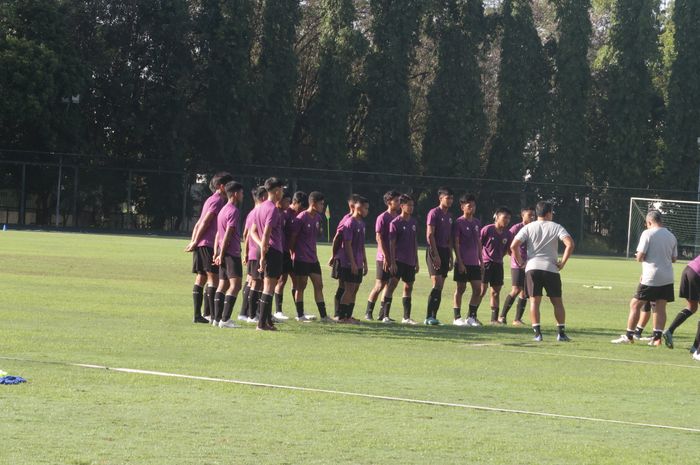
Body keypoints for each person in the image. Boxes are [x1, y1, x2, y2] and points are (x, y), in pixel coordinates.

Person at [511, 201, 575, 342]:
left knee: (534, 302)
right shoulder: (556, 227)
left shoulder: (528, 227)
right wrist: (562, 262)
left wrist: (521, 262)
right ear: (548, 214)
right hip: (551, 268)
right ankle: (561, 333)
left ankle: (538, 334)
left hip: (532, 268)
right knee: (557, 302)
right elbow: (570, 244)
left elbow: (513, 246)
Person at [611, 210, 677, 346]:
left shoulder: (647, 233)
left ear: (649, 222)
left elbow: (640, 257)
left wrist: (640, 256)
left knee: (635, 305)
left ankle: (629, 336)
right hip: (667, 276)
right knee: (660, 307)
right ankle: (657, 338)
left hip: (651, 276)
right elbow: (674, 258)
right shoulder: (671, 236)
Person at [185, 172, 234, 323]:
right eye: (228, 185)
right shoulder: (218, 201)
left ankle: (199, 315)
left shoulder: (210, 200)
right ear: (221, 186)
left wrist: (194, 240)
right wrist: (195, 241)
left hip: (202, 243)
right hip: (208, 244)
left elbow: (199, 222)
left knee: (202, 278)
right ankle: (213, 316)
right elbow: (205, 222)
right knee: (213, 279)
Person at [249, 177, 287, 331]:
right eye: (282, 189)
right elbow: (265, 233)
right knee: (268, 287)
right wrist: (264, 254)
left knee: (268, 287)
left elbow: (253, 231)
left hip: (264, 249)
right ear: (277, 191)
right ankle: (262, 324)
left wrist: (261, 247)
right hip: (271, 251)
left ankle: (267, 321)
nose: (283, 192)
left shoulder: (259, 207)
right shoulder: (271, 208)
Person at [289, 191, 330, 322]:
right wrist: (293, 253)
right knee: (301, 287)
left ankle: (324, 316)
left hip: (313, 258)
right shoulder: (301, 218)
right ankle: (300, 315)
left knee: (319, 285)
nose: (323, 206)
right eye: (321, 204)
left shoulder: (318, 218)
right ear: (313, 203)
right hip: (301, 258)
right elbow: (293, 238)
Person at [212, 181, 245, 328]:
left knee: (222, 284)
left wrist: (217, 252)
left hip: (223, 252)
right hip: (231, 253)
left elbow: (218, 233)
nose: (243, 195)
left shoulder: (222, 210)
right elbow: (227, 235)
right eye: (242, 193)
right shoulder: (233, 211)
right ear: (236, 194)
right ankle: (225, 320)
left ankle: (216, 318)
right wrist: (223, 252)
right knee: (235, 285)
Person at [385, 194, 420, 324]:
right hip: (398, 260)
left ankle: (406, 317)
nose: (411, 208)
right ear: (402, 206)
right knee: (391, 285)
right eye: (409, 205)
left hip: (410, 261)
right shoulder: (395, 223)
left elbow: (415, 242)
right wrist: (392, 262)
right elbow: (392, 244)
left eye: (412, 205)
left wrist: (416, 260)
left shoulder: (413, 222)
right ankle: (385, 316)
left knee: (408, 287)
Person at [273, 190, 307, 322]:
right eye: (301, 207)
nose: (302, 210)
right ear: (294, 202)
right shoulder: (285, 214)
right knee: (281, 280)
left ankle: (300, 312)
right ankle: (278, 310)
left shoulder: (297, 214)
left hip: (292, 252)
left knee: (296, 280)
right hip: (283, 251)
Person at [367, 190, 401, 321]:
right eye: (396, 201)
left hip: (395, 258)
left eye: (399, 201)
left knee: (391, 285)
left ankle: (383, 315)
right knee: (379, 285)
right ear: (389, 202)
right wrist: (386, 256)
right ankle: (368, 312)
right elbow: (379, 238)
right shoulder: (382, 217)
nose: (399, 203)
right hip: (383, 258)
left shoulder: (398, 218)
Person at [499, 206, 536, 325]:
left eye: (533, 215)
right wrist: (517, 259)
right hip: (517, 264)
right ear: (522, 215)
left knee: (525, 292)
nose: (532, 217)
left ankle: (517, 319)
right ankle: (502, 316)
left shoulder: (533, 228)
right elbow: (510, 245)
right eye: (529, 215)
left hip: (529, 264)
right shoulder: (516, 228)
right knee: (516, 289)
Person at [451, 194, 483, 327]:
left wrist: (481, 260)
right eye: (469, 206)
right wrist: (460, 262)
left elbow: (479, 243)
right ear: (462, 207)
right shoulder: (458, 222)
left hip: (475, 262)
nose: (472, 208)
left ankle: (471, 317)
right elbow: (456, 243)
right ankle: (457, 317)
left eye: (473, 205)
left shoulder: (476, 223)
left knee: (477, 289)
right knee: (461, 288)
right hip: (463, 262)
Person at [337, 196, 369, 323]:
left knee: (355, 289)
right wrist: (353, 263)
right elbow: (347, 244)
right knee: (349, 288)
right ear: (358, 207)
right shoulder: (350, 223)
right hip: (350, 262)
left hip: (359, 261)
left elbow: (362, 245)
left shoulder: (362, 223)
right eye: (366, 208)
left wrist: (365, 262)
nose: (367, 211)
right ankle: (342, 317)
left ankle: (348, 315)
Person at [425, 187, 454, 325]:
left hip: (445, 251)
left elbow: (449, 238)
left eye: (451, 198)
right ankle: (428, 317)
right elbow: (430, 234)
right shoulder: (434, 213)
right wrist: (435, 254)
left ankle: (433, 316)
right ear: (440, 198)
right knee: (437, 283)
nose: (450, 201)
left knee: (440, 285)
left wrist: (450, 256)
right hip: (434, 250)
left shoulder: (449, 216)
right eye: (447, 198)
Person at [329, 194, 361, 319]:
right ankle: (339, 315)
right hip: (344, 259)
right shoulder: (347, 220)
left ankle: (347, 314)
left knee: (352, 287)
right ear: (353, 206)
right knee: (344, 286)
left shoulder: (358, 221)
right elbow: (337, 238)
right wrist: (333, 255)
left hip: (353, 259)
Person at [480, 207, 512, 325]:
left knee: (496, 292)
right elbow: (479, 245)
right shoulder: (487, 229)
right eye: (505, 217)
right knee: (481, 290)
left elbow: (507, 250)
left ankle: (494, 319)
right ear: (497, 217)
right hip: (486, 263)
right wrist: (481, 260)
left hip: (498, 265)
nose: (507, 220)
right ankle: (472, 315)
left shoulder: (508, 234)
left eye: (509, 218)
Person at [240, 186, 267, 322]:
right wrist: (247, 252)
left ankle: (247, 313)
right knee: (255, 283)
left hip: (253, 251)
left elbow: (246, 233)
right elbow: (248, 233)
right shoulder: (258, 212)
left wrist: (246, 252)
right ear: (263, 197)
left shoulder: (252, 213)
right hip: (256, 252)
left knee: (252, 281)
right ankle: (250, 314)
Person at [663, 254, 700, 349]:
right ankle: (696, 348)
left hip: (688, 270)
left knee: (692, 307)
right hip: (697, 275)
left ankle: (670, 331)